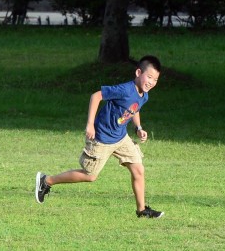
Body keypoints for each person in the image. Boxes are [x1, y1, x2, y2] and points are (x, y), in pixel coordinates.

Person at [35, 55, 164, 218]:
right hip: (102, 137)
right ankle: (46, 181)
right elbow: (96, 96)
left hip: (121, 137)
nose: (151, 82)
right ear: (138, 72)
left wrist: (138, 127)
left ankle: (142, 210)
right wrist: (90, 124)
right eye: (149, 77)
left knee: (138, 169)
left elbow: (134, 109)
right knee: (90, 176)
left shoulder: (143, 95)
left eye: (156, 79)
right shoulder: (125, 89)